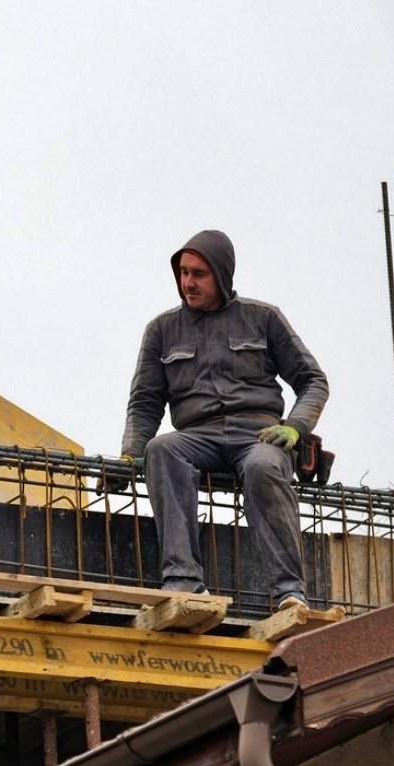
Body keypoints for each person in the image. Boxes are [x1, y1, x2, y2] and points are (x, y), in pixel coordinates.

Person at [119, 230, 328, 610]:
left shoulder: (263, 318)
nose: (188, 283)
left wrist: (295, 429)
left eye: (198, 274)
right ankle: (183, 581)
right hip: (198, 436)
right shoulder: (162, 330)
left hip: (259, 435)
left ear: (221, 274)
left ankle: (289, 592)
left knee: (264, 467)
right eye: (183, 273)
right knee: (161, 449)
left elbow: (313, 381)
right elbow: (145, 401)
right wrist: (131, 454)